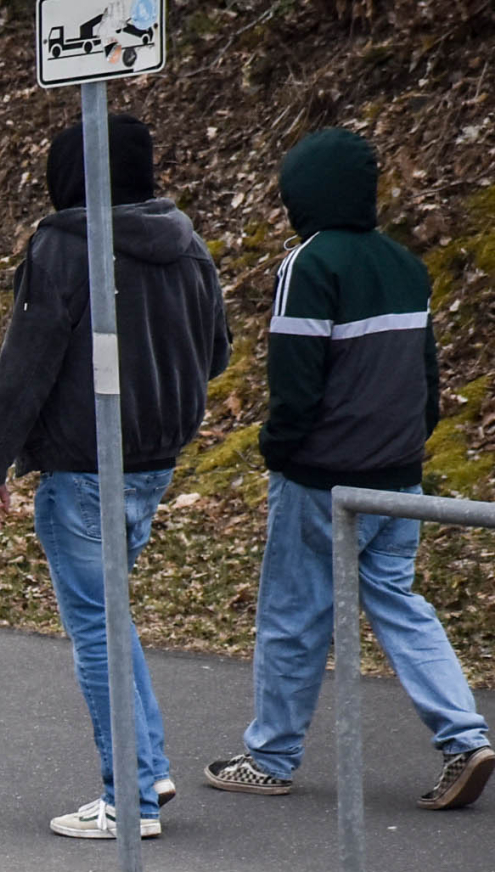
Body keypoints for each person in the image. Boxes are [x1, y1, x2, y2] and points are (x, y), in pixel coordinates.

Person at [205, 127, 491, 812]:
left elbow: (295, 383)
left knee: (293, 611)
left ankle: (270, 756)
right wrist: (412, 443)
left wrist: (280, 450)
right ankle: (465, 736)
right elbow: (428, 376)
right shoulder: (407, 265)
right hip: (399, 472)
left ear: (303, 192)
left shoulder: (308, 265)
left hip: (322, 476)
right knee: (398, 601)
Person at [0, 115, 228, 840]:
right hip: (154, 464)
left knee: (96, 633)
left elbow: (26, 365)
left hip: (81, 469)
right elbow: (218, 350)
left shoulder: (63, 247)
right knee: (111, 621)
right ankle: (148, 769)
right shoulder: (186, 242)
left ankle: (130, 801)